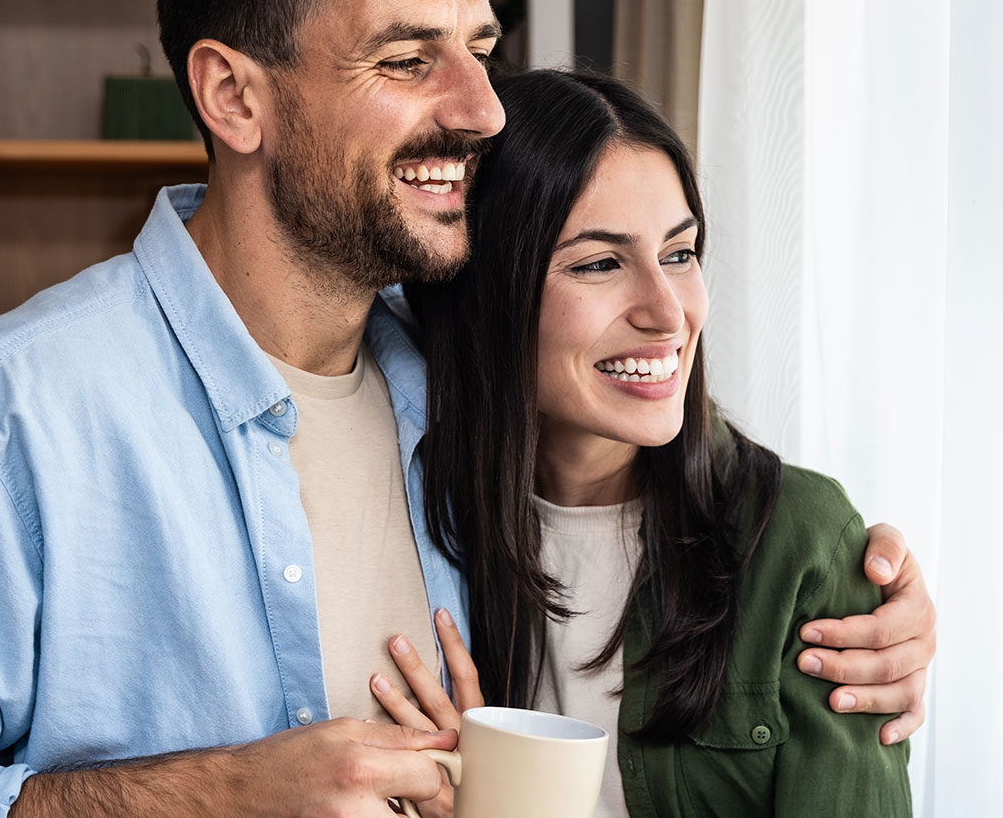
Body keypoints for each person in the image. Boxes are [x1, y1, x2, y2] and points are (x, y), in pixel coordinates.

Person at [0, 0, 934, 818]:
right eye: (406, 59)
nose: (477, 113)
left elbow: (674, 467)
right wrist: (217, 795)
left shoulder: (465, 380)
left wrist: (859, 602)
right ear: (232, 95)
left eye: (478, 52)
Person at [372, 68, 911, 817]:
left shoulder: (802, 544)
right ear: (489, 295)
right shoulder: (420, 513)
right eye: (600, 264)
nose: (668, 312)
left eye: (680, 253)